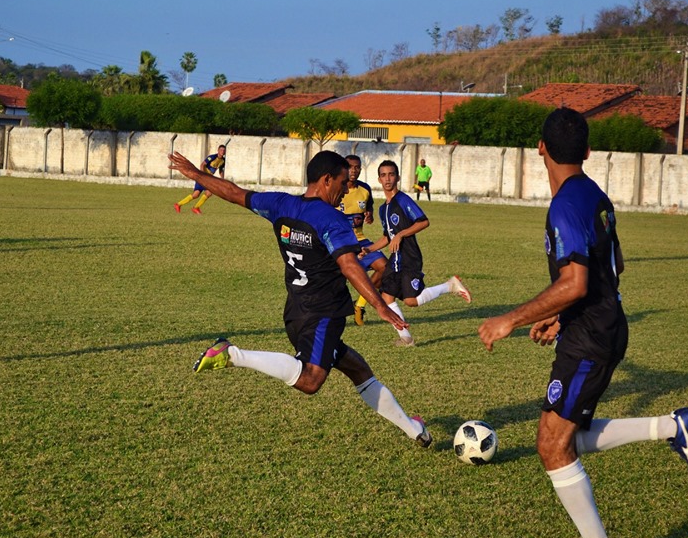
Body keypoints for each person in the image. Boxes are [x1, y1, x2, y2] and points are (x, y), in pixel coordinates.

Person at [477, 108, 688, 538]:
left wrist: (511, 319)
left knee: (551, 443)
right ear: (587, 151)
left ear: (539, 148)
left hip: (592, 338)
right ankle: (671, 427)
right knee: (561, 435)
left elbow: (576, 283)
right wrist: (561, 317)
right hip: (595, 326)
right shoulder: (596, 195)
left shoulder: (564, 205)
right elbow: (613, 267)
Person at [168, 148, 433, 447]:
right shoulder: (331, 218)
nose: (347, 188)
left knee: (357, 368)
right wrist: (380, 306)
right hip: (324, 313)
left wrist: (196, 175)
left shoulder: (281, 203)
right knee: (310, 380)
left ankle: (415, 430)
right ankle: (232, 354)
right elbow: (348, 265)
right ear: (326, 179)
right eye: (343, 182)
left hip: (295, 311)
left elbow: (232, 192)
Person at [361, 160, 470, 347]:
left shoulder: (403, 200)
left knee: (412, 301)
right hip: (395, 258)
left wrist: (402, 234)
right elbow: (388, 236)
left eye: (391, 174)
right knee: (387, 297)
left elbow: (423, 221)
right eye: (384, 175)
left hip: (409, 256)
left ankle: (450, 285)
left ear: (398, 177)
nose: (388, 178)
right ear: (379, 179)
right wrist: (369, 249)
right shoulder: (383, 208)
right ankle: (406, 339)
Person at [338, 154, 386, 326]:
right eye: (351, 166)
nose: (354, 170)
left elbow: (369, 205)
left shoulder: (365, 189)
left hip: (361, 241)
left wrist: (369, 214)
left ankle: (359, 305)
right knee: (337, 279)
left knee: (384, 269)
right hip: (340, 242)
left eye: (358, 167)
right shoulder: (337, 188)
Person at [173, 144, 226, 214]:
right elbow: (202, 165)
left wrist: (222, 178)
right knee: (208, 193)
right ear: (218, 151)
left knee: (196, 195)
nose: (222, 151)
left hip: (207, 178)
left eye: (224, 150)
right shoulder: (212, 157)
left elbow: (221, 170)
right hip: (202, 177)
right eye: (221, 150)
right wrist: (202, 175)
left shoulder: (223, 161)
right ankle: (195, 207)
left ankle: (178, 204)